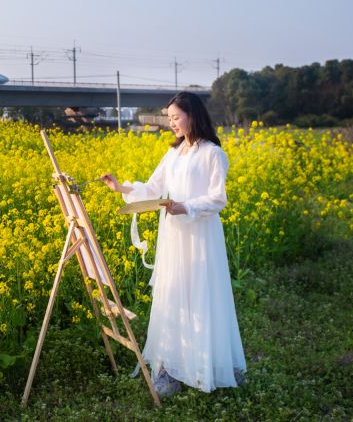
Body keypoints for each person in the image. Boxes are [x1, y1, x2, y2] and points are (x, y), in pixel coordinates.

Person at [99, 91, 246, 398]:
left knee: (202, 294)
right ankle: (172, 368)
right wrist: (119, 188)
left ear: (193, 115)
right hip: (175, 236)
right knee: (174, 294)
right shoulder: (173, 154)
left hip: (200, 236)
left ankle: (208, 365)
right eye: (169, 119)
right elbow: (152, 188)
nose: (172, 124)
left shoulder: (212, 153)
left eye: (176, 118)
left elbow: (218, 198)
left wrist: (186, 206)